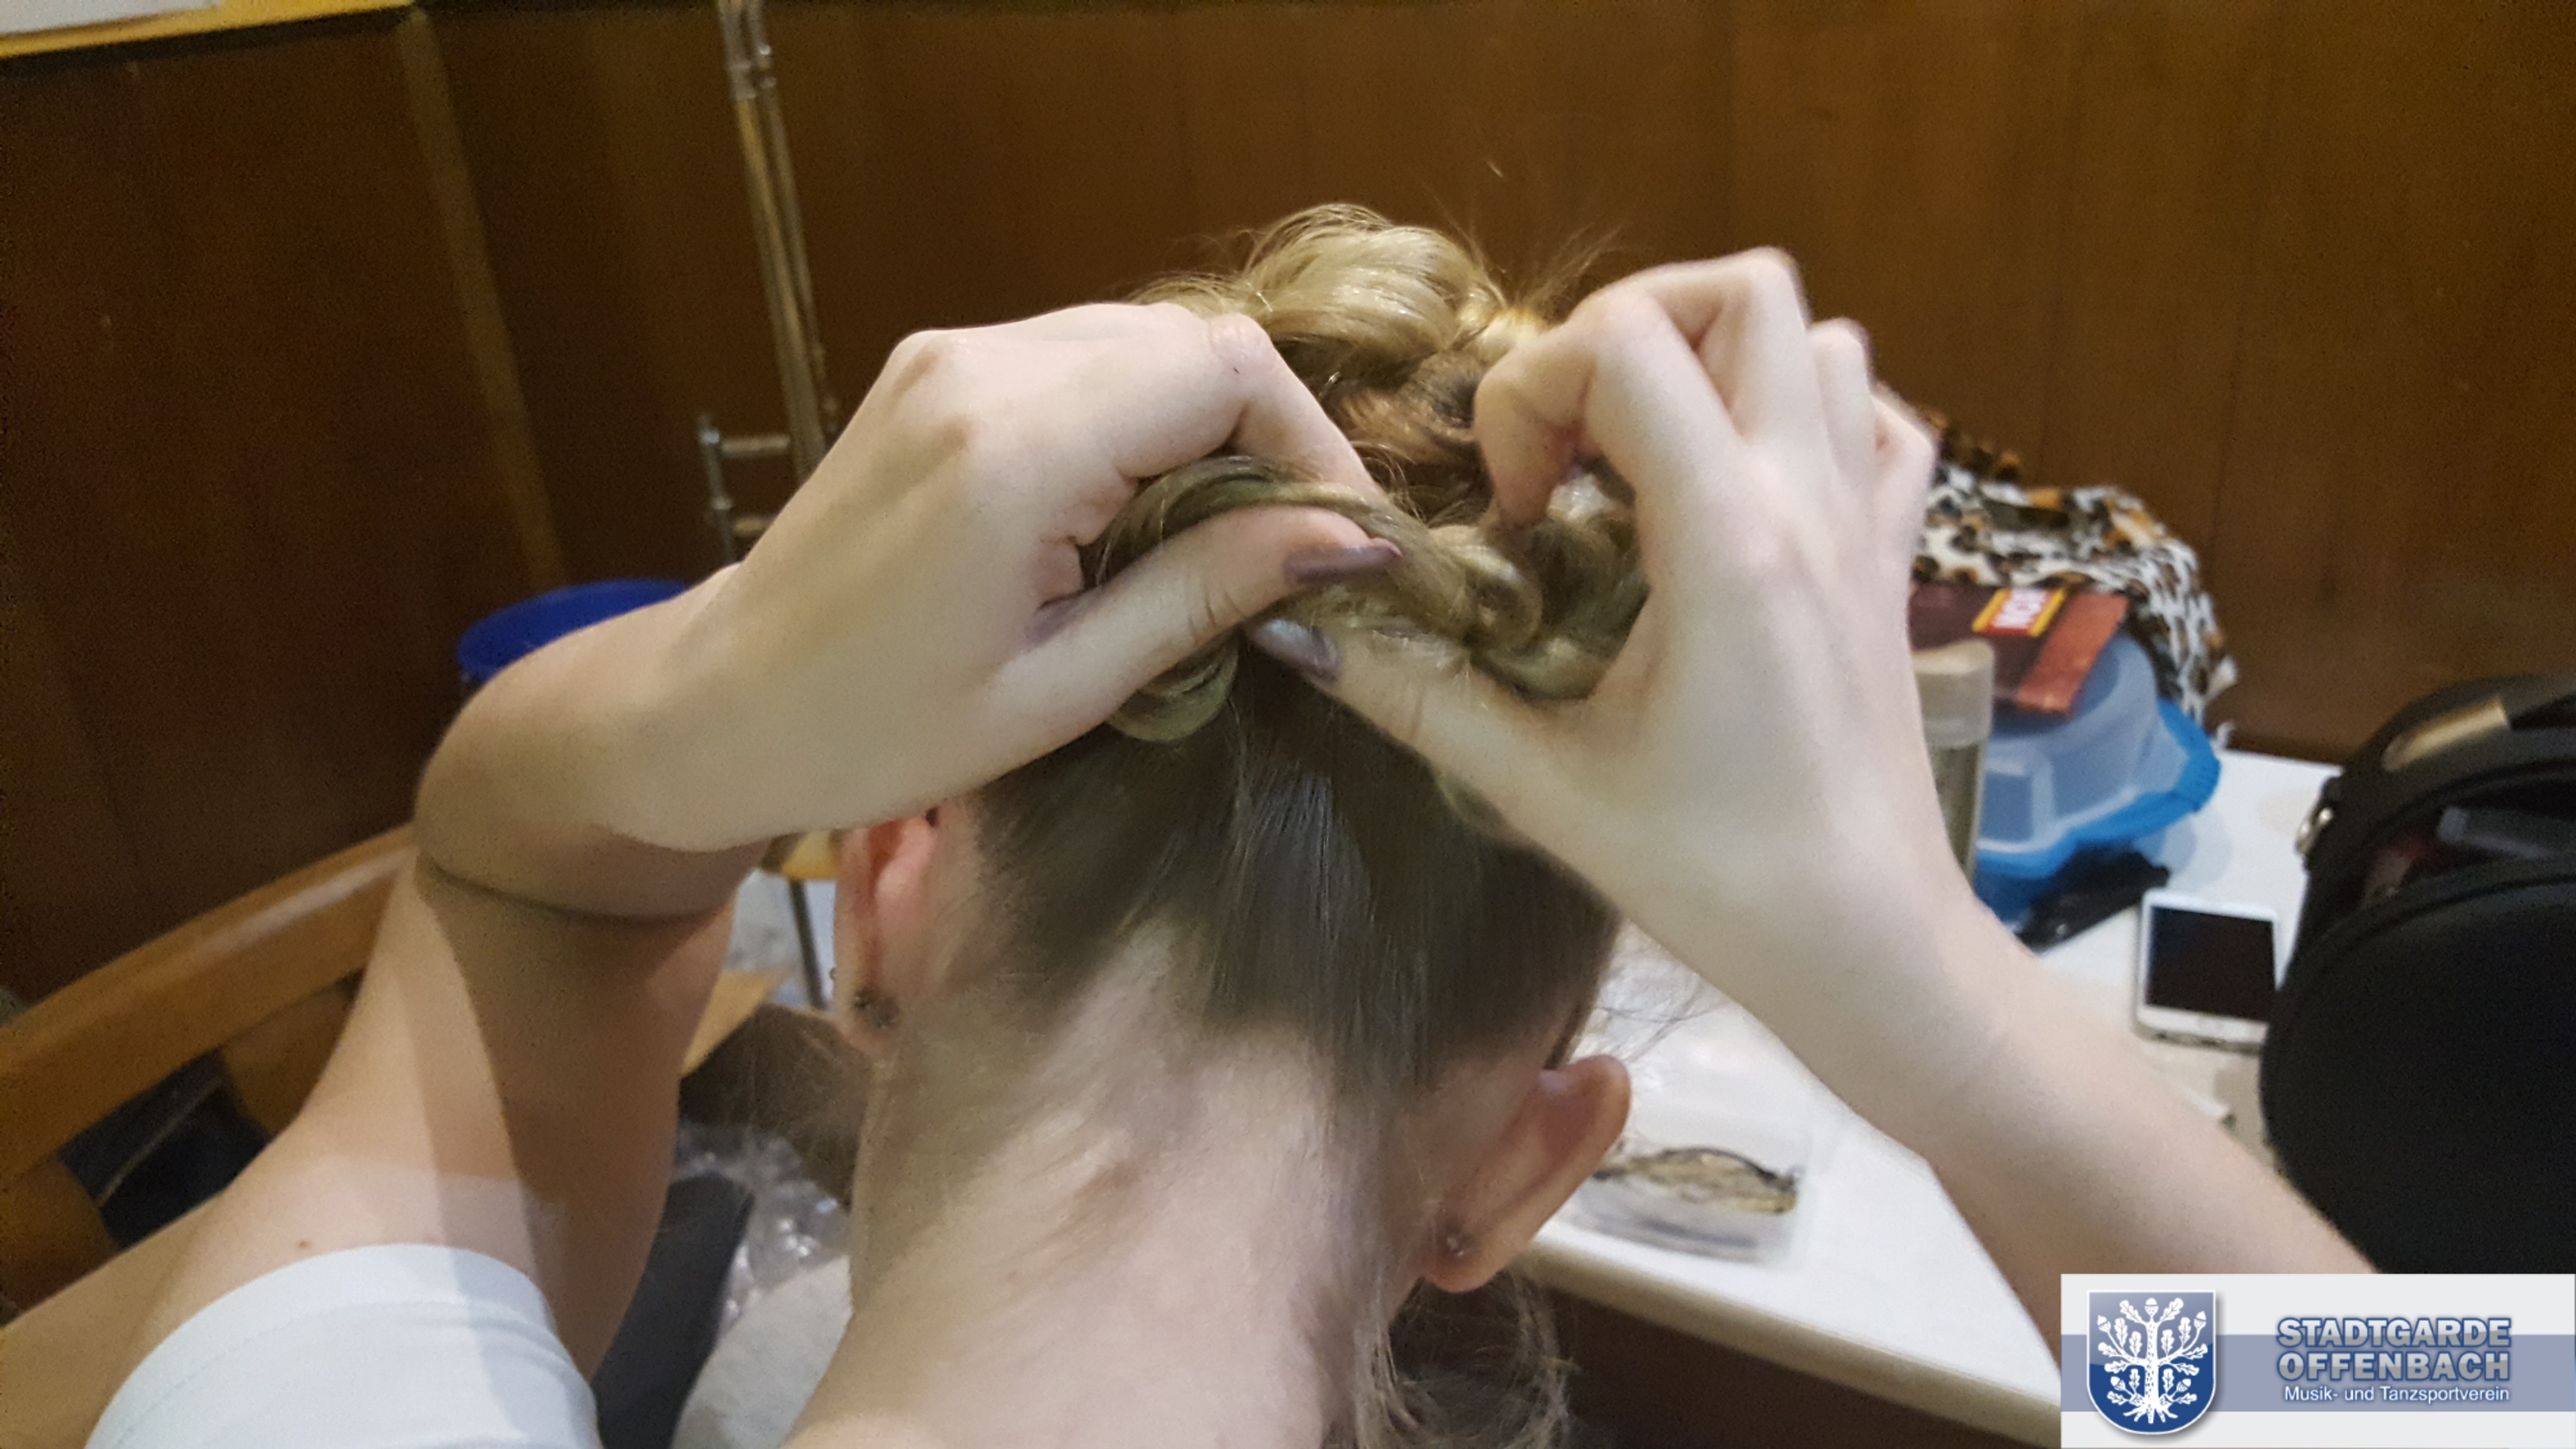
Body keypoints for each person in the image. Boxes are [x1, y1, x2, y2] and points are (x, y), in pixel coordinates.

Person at [84, 210, 2364, 1449]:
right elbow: (2450, 1399)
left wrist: (726, 674)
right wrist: (1939, 1013)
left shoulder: (306, 1411)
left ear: (880, 890)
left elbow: (518, 878)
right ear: (1523, 1170)